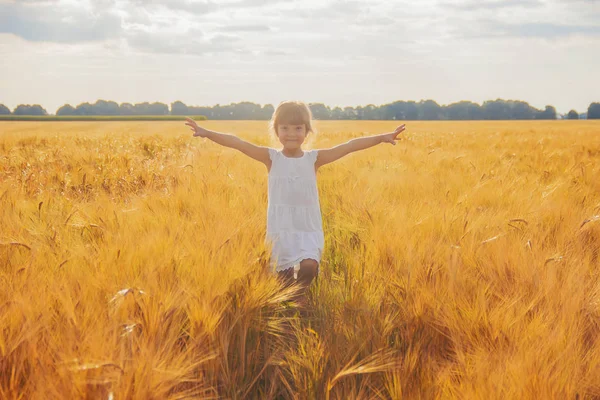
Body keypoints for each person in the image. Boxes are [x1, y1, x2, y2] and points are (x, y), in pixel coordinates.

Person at [184, 101, 406, 310]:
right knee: (283, 277)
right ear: (276, 131)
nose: (291, 134)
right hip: (281, 228)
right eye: (285, 128)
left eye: (298, 128)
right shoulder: (270, 158)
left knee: (309, 266)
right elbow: (237, 143)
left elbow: (349, 146)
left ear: (307, 131)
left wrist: (382, 137)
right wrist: (206, 133)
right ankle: (288, 307)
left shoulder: (314, 159)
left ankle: (298, 297)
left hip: (307, 227)